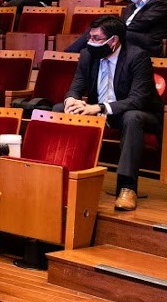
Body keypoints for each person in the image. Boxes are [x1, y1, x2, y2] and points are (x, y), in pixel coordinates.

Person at [57, 17, 159, 211]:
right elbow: (76, 87)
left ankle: (127, 187)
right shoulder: (88, 55)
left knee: (132, 117)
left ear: (113, 40)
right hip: (100, 111)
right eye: (90, 37)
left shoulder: (137, 57)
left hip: (139, 113)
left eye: (96, 38)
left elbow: (137, 99)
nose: (90, 42)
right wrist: (71, 100)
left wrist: (99, 107)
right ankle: (65, 178)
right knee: (59, 110)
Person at [65, 0, 167, 55]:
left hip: (146, 40)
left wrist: (118, 29)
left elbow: (144, 23)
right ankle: (70, 54)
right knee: (97, 29)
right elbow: (122, 22)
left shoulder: (160, 3)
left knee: (112, 33)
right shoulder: (130, 6)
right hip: (127, 35)